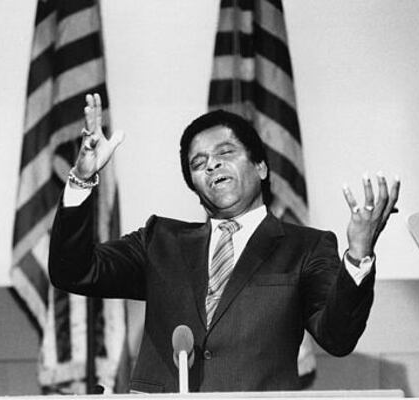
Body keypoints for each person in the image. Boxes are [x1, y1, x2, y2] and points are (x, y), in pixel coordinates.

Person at [49, 93, 400, 393]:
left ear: (261, 167)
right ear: (196, 186)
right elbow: (73, 272)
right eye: (198, 163)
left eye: (225, 152)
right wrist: (81, 179)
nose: (211, 164)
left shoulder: (305, 247)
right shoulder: (160, 241)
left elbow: (338, 338)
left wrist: (359, 253)